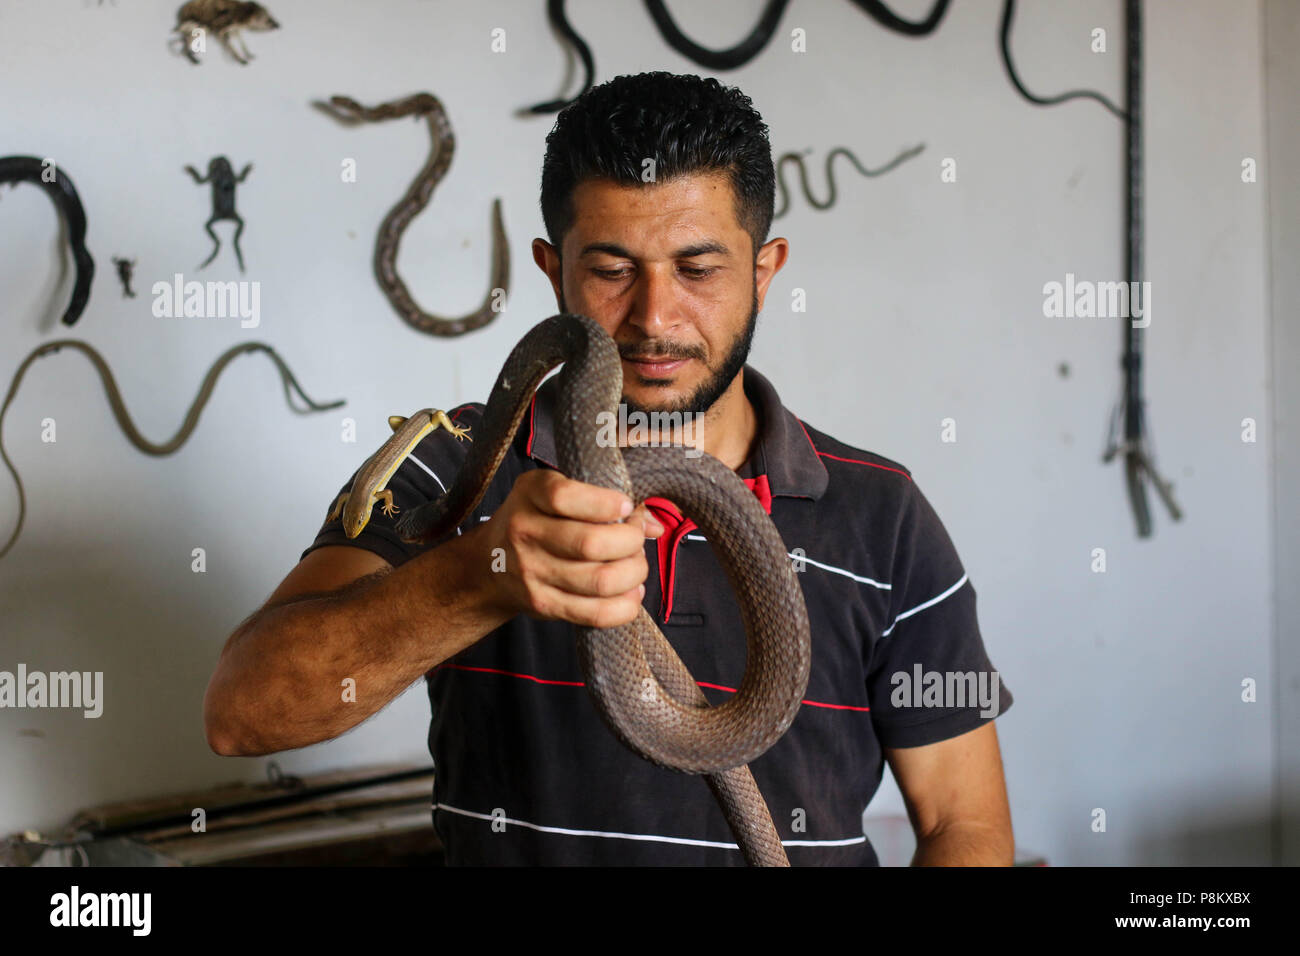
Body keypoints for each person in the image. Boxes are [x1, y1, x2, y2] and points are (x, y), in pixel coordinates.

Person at [204, 71, 1015, 866]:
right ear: (552, 269)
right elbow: (244, 715)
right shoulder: (451, 468)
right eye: (610, 270)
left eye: (698, 270)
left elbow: (963, 824)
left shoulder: (884, 513)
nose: (655, 317)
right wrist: (481, 575)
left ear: (764, 272)